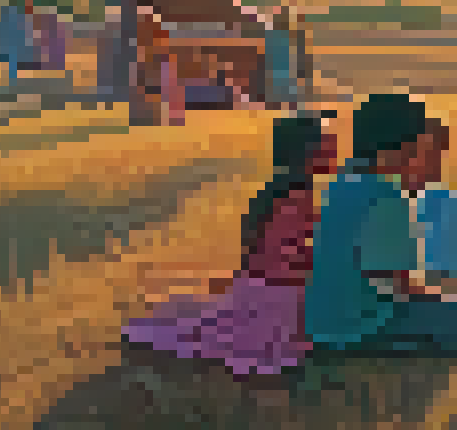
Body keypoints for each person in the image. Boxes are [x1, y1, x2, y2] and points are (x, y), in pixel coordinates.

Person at [123, 113, 335, 375]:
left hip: (254, 286)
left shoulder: (282, 189)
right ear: (307, 153)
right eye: (327, 142)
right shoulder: (298, 195)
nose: (334, 147)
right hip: (277, 294)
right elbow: (282, 258)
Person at [306, 93, 457, 356]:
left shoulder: (341, 185)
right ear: (402, 150)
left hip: (321, 322)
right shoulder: (387, 198)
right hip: (361, 326)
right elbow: (396, 286)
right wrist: (435, 300)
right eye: (418, 150)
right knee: (454, 320)